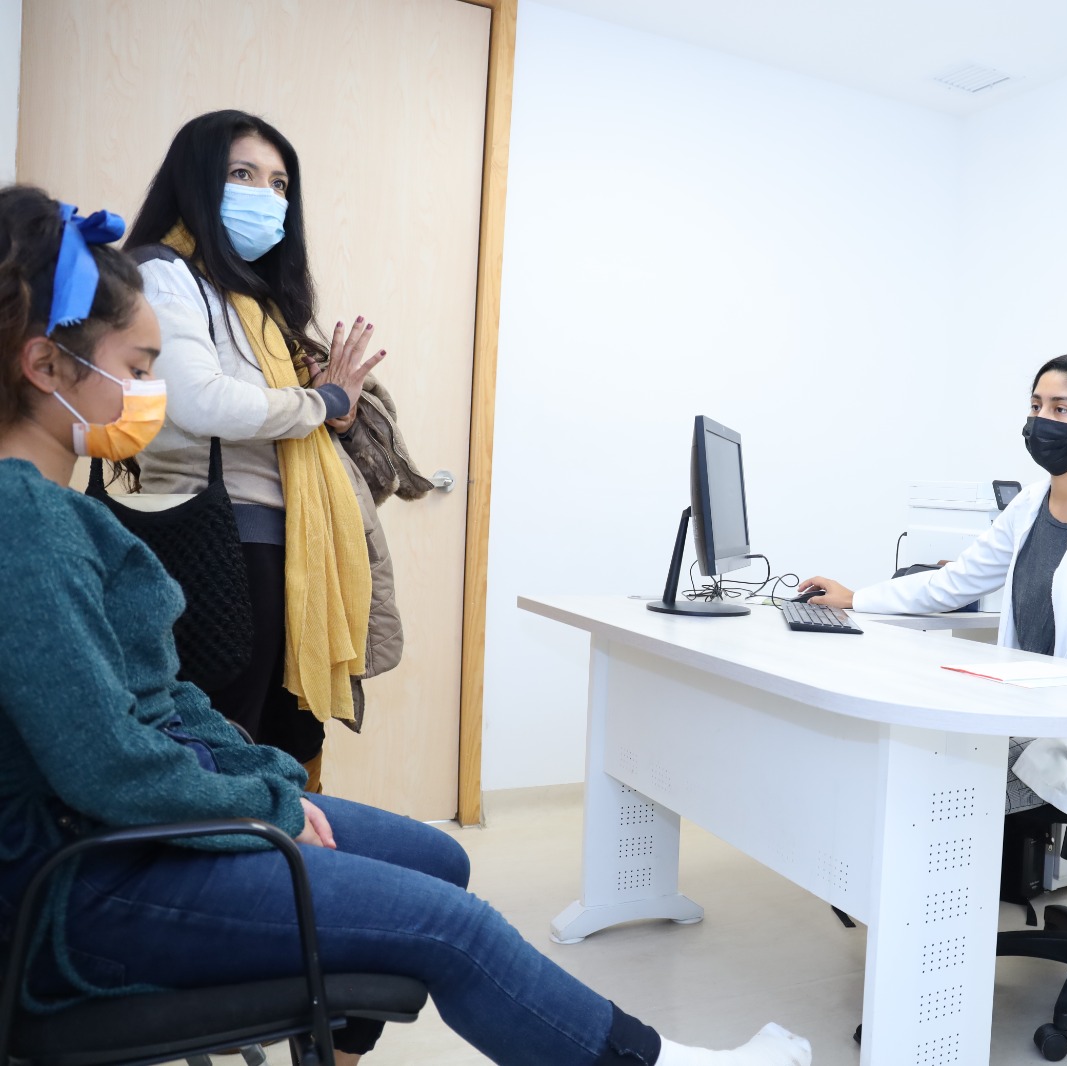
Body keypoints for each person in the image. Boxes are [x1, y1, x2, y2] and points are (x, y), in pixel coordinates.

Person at [0, 185, 810, 1066]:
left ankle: (332, 1046)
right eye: (141, 366)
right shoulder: (23, 525)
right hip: (85, 888)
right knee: (451, 927)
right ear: (46, 366)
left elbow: (157, 705)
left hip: (115, 837)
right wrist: (267, 805)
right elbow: (110, 762)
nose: (155, 391)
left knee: (437, 860)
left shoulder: (54, 509)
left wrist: (268, 781)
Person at [122, 110, 394, 790]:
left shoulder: (252, 297)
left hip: (281, 537)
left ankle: (295, 844)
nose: (265, 196)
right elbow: (200, 402)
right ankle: (244, 846)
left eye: (278, 184)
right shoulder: (164, 274)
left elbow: (274, 413)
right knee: (231, 730)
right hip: (223, 537)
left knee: (290, 728)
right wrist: (318, 403)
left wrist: (332, 409)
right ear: (195, 180)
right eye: (242, 174)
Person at [800, 354, 1067, 825]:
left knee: (938, 792)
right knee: (910, 759)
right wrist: (856, 598)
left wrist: (1029, 707)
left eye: (1061, 409)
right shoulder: (1030, 504)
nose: (1042, 420)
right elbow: (955, 582)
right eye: (1036, 406)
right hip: (1029, 714)